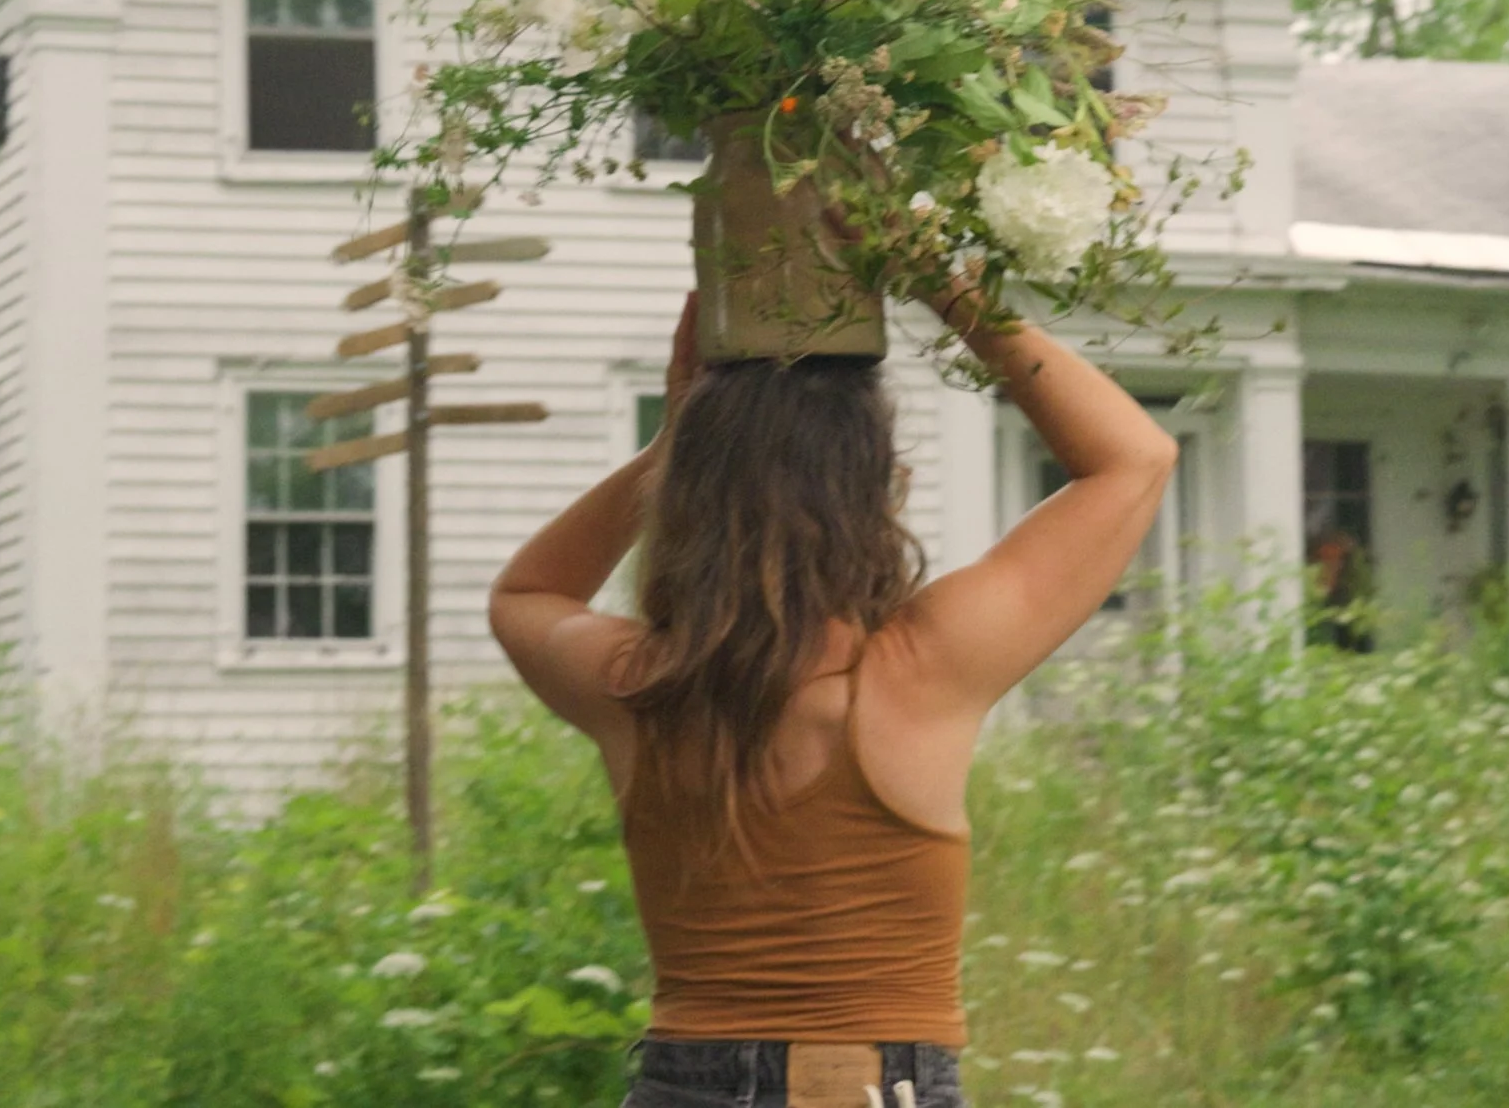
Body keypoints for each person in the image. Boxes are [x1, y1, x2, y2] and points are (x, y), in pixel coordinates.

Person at [488, 284, 1178, 1108]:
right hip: (869, 1086)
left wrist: (677, 438)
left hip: (683, 1085)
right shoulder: (922, 670)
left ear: (688, 496)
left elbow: (525, 596)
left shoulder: (637, 684)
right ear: (877, 490)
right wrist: (942, 286)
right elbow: (1133, 459)